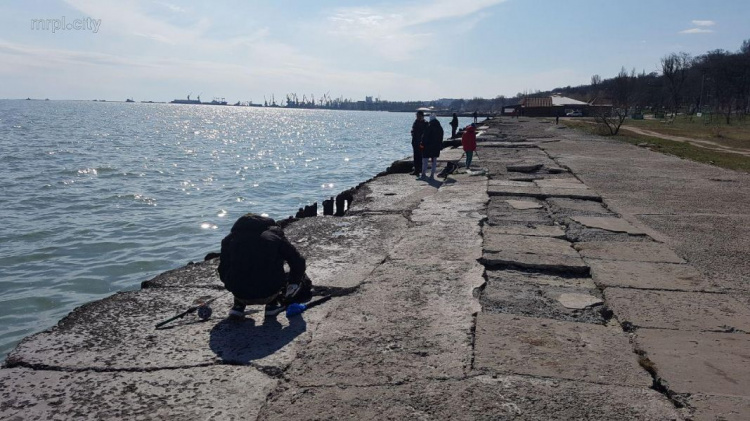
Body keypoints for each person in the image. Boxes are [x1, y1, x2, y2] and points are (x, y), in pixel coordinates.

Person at [218, 213, 311, 319]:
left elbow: (222, 269)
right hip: (270, 292)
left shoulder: (229, 240)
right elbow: (298, 262)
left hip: (239, 293)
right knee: (284, 272)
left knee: (241, 267)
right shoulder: (274, 236)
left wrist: (232, 285)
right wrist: (294, 282)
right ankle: (273, 304)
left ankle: (238, 306)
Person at [420, 113, 444, 180]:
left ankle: (423, 174)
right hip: (436, 147)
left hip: (427, 146)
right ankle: (432, 175)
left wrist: (422, 143)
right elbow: (441, 137)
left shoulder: (429, 126)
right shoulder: (440, 127)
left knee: (425, 160)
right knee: (434, 161)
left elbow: (425, 136)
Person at [410, 111, 428, 176]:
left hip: (421, 142)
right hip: (415, 142)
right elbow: (413, 129)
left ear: (422, 116)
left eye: (418, 115)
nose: (417, 117)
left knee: (421, 156)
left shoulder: (425, 123)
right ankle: (416, 170)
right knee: (415, 156)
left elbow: (426, 133)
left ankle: (421, 169)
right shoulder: (415, 122)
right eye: (416, 115)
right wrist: (412, 132)